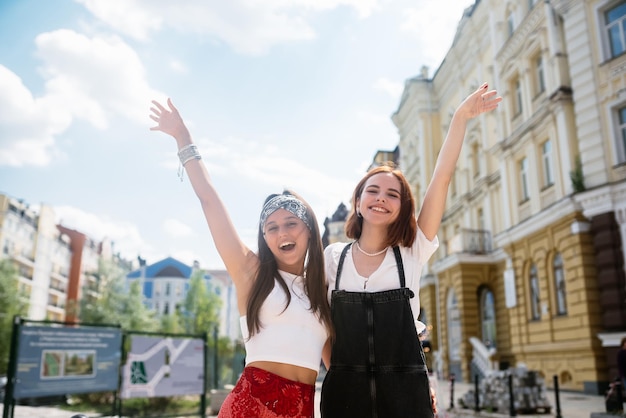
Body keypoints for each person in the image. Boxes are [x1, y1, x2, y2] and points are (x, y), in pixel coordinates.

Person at [320, 82, 502, 417]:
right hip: (344, 398)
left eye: (393, 194)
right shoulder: (333, 258)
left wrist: (460, 117)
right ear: (358, 203)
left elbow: (441, 178)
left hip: (406, 400)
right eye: (372, 191)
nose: (381, 198)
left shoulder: (412, 251)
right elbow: (323, 330)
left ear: (403, 207)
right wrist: (341, 374)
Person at [149, 98, 333, 418]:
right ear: (263, 237)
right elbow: (209, 200)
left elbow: (342, 369)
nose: (282, 233)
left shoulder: (323, 290)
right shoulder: (252, 272)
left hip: (302, 410)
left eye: (291, 223)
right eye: (271, 228)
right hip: (251, 408)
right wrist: (183, 139)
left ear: (309, 231)